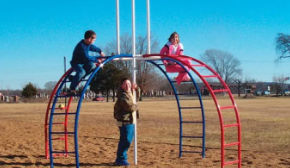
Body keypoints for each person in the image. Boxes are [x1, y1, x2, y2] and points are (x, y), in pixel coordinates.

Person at [68, 30, 105, 95]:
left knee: (92, 66)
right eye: (94, 40)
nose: (94, 41)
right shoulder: (81, 46)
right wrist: (97, 60)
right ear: (89, 39)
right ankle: (72, 89)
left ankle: (74, 78)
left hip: (84, 62)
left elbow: (93, 48)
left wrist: (100, 51)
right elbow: (87, 57)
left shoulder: (88, 44)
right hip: (76, 63)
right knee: (81, 72)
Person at [113, 78, 138, 166]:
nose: (127, 85)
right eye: (125, 84)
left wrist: (136, 89)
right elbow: (130, 107)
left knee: (127, 139)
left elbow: (136, 98)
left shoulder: (130, 92)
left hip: (130, 120)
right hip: (124, 121)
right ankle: (121, 158)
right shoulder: (123, 95)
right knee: (126, 140)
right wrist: (136, 106)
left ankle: (121, 158)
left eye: (129, 83)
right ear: (121, 86)